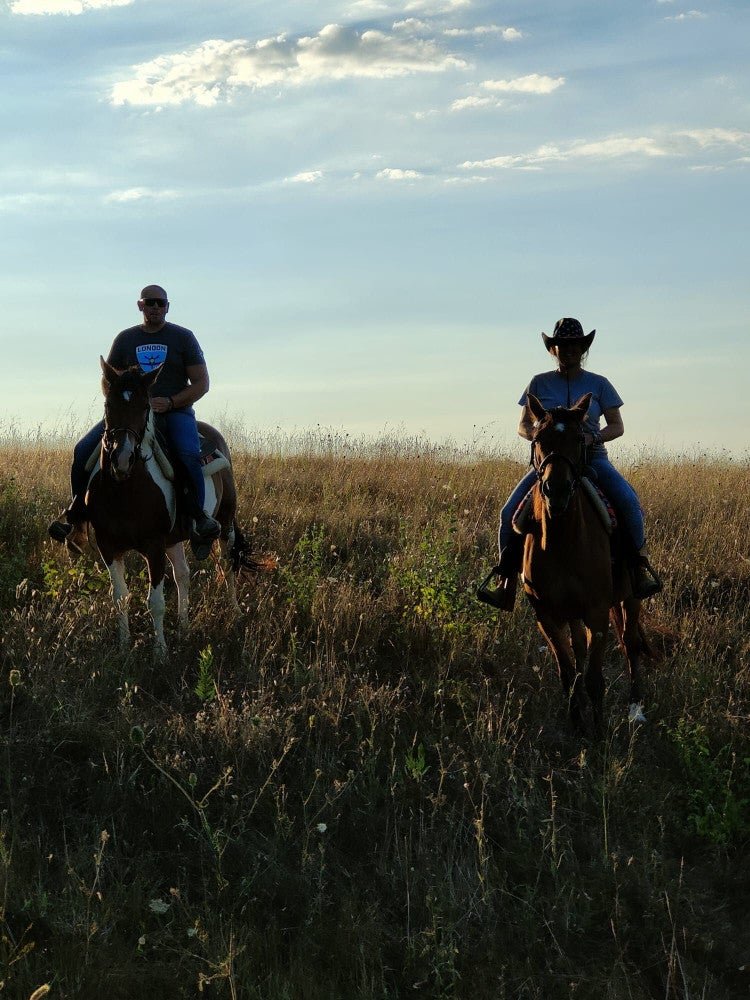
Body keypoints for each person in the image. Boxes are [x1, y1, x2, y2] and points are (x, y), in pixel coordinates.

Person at [496, 317, 662, 602]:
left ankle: (638, 570)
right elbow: (523, 425)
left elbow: (617, 426)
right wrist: (538, 435)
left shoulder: (599, 384)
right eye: (562, 345)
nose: (569, 350)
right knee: (508, 512)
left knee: (629, 503)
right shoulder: (538, 382)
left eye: (575, 345)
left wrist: (592, 438)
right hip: (548, 463)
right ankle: (505, 580)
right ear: (554, 349)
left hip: (592, 459)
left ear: (583, 348)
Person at [48, 283, 221, 554]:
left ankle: (199, 519)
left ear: (167, 307)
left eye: (160, 303)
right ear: (140, 305)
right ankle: (76, 517)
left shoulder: (183, 337)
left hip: (174, 411)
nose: (155, 307)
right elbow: (109, 381)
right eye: (150, 302)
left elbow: (201, 383)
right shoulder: (125, 339)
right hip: (130, 414)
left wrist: (172, 401)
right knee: (82, 451)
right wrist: (118, 404)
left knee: (188, 454)